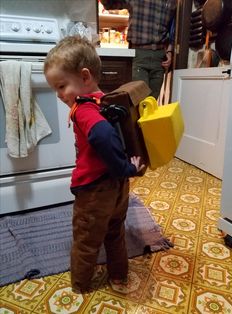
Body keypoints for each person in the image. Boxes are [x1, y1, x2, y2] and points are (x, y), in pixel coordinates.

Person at [44, 35, 145, 293]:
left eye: (61, 86)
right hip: (118, 188)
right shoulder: (106, 100)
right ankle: (119, 276)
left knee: (86, 240)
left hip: (94, 190)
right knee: (114, 232)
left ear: (85, 76)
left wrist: (123, 168)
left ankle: (80, 285)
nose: (59, 95)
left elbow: (101, 135)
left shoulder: (84, 109)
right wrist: (127, 169)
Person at [100, 0, 176, 99]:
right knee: (138, 100)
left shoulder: (172, 2)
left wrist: (170, 51)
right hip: (138, 54)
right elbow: (109, 4)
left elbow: (173, 29)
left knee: (152, 102)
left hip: (159, 57)